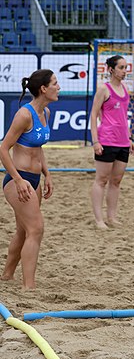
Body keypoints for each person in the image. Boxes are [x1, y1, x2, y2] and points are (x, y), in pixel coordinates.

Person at [0, 70, 60, 289]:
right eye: (55, 83)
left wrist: (47, 174)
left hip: (33, 179)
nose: (58, 87)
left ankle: (7, 276)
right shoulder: (24, 115)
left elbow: (38, 148)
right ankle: (29, 287)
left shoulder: (47, 113)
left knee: (24, 230)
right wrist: (17, 179)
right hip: (19, 180)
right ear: (43, 89)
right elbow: (3, 149)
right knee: (36, 229)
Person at [90, 55, 134, 230]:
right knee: (101, 180)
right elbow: (94, 114)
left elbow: (123, 117)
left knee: (116, 181)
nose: (125, 71)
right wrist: (95, 141)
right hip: (107, 140)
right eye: (122, 67)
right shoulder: (104, 89)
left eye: (126, 68)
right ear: (111, 69)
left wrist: (129, 138)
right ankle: (99, 220)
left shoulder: (125, 89)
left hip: (122, 141)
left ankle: (111, 217)